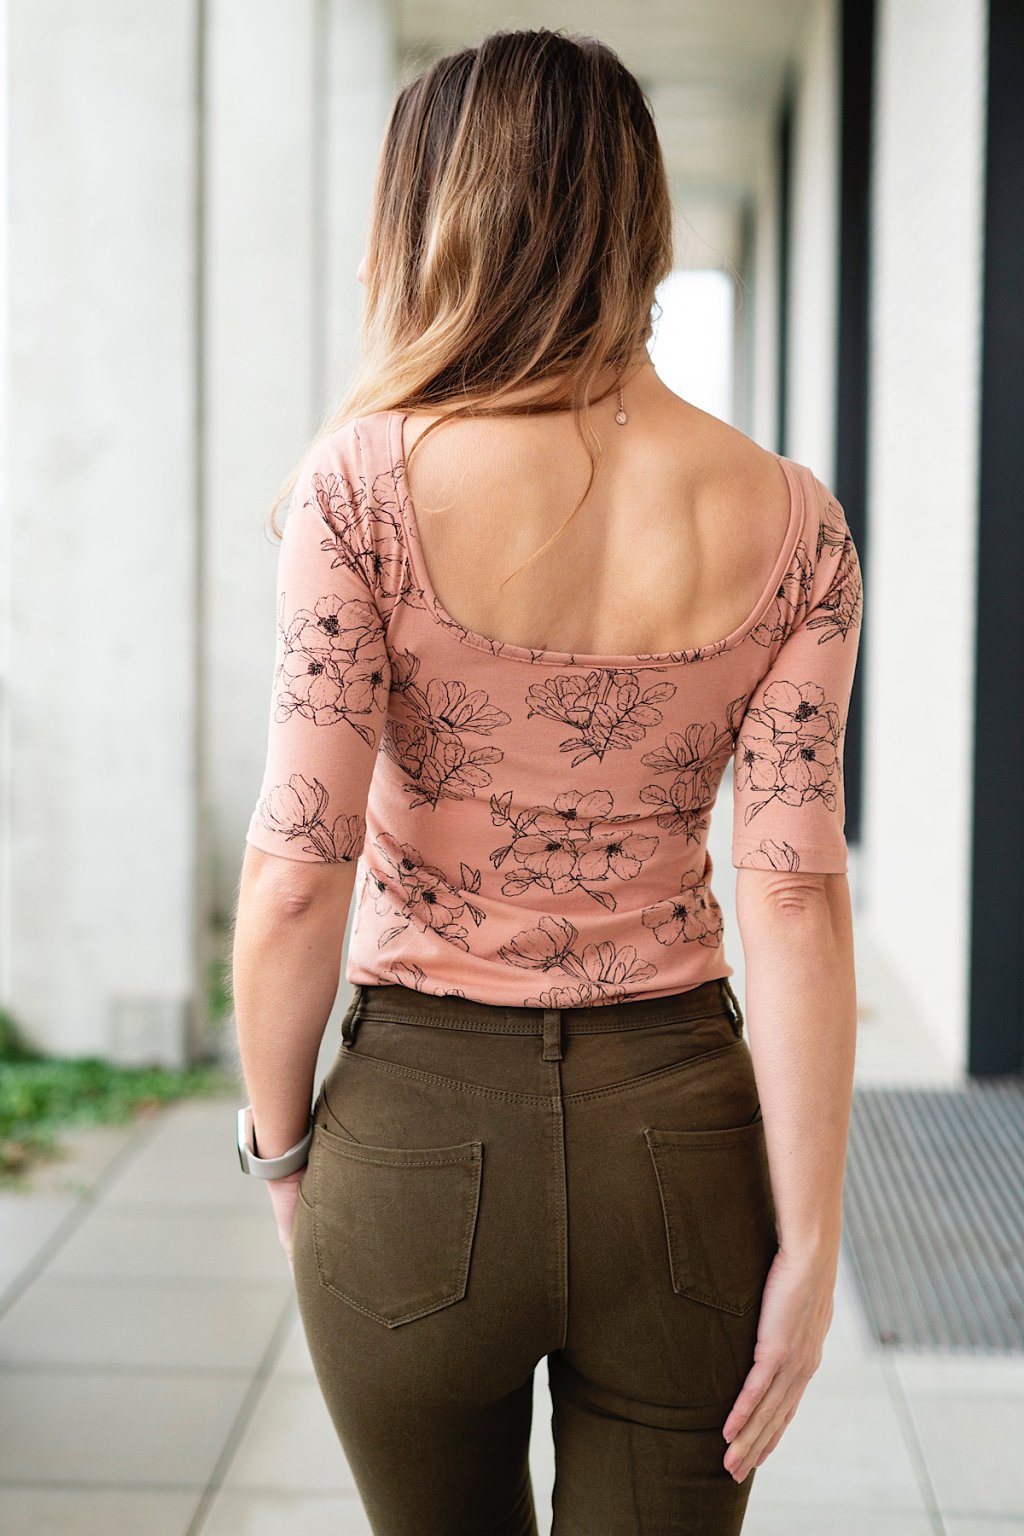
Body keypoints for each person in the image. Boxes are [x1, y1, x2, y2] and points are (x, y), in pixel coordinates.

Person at [231, 25, 863, 1536]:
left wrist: (285, 1155)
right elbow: (794, 900)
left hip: (416, 1139)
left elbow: (298, 872)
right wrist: (812, 1242)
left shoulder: (361, 484)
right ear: (639, 218)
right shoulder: (794, 521)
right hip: (684, 1149)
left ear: (427, 213)